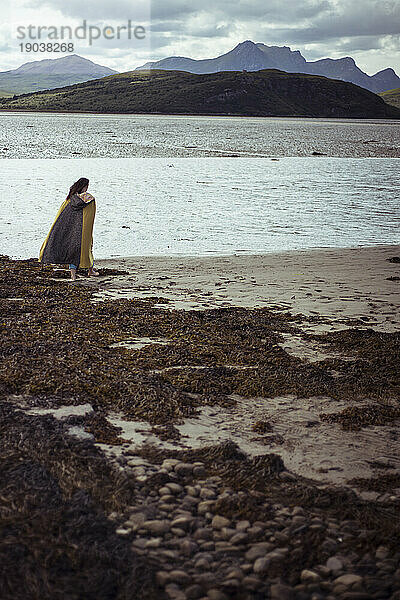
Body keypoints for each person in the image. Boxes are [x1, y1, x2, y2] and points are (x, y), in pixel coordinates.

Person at [39, 177, 99, 281]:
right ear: (85, 186)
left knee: (72, 251)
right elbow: (90, 215)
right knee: (87, 247)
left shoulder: (70, 199)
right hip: (83, 230)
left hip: (71, 232)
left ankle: (73, 276)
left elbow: (61, 215)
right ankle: (90, 270)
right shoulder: (89, 199)